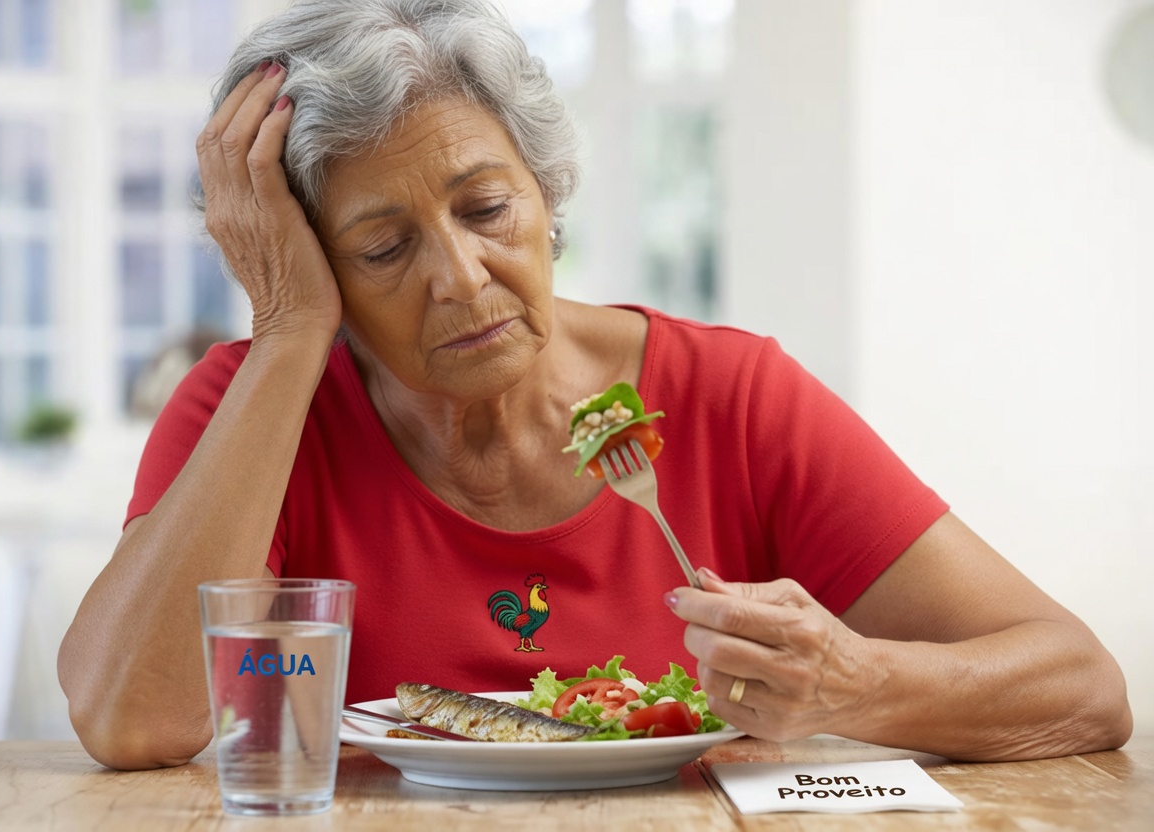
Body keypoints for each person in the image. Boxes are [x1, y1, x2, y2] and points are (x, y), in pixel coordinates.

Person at [57, 0, 1131, 770]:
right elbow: (130, 720)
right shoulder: (253, 405)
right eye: (382, 249)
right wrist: (290, 329)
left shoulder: (730, 395)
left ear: (547, 194)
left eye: (486, 210)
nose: (463, 278)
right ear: (313, 265)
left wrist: (858, 683)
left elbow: (1081, 685)